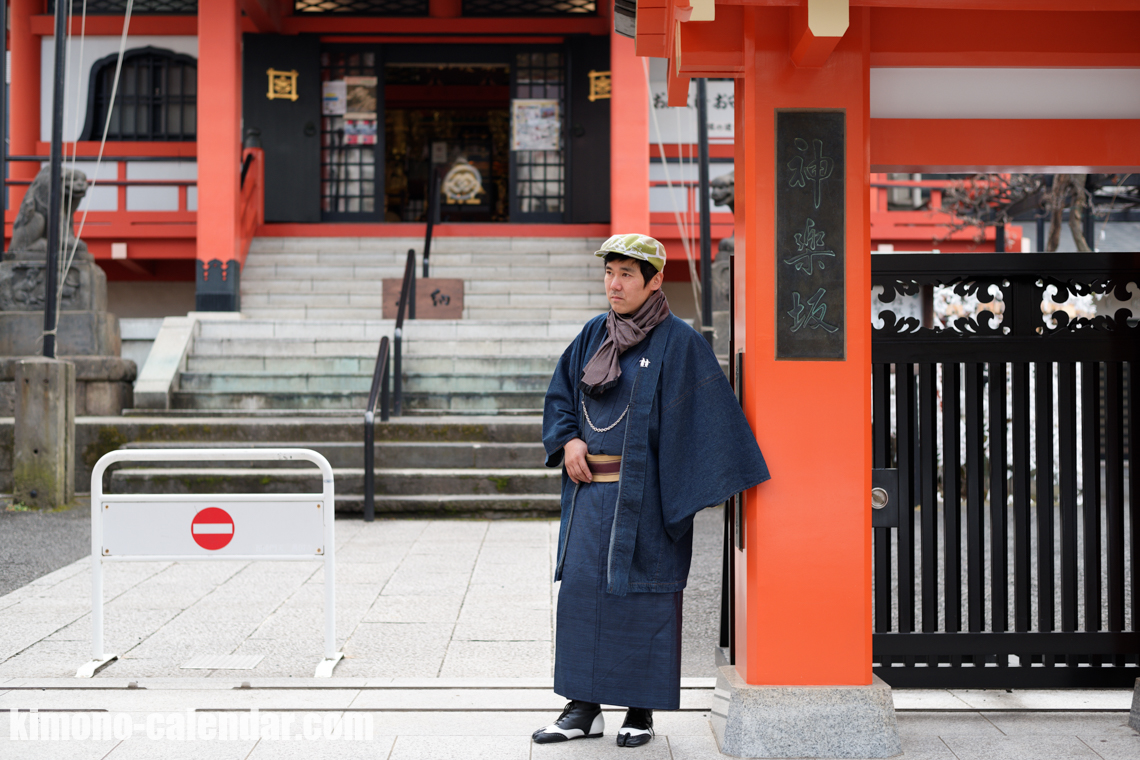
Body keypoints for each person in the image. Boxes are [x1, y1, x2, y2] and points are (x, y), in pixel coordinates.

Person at [536, 233, 770, 748]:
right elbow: (560, 398)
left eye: (626, 275)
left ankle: (639, 711)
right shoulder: (593, 334)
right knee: (581, 596)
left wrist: (677, 494)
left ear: (655, 280)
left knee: (644, 597)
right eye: (609, 273)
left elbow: (706, 419)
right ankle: (581, 709)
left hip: (645, 499)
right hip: (587, 496)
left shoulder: (679, 341)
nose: (614, 285)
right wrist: (569, 439)